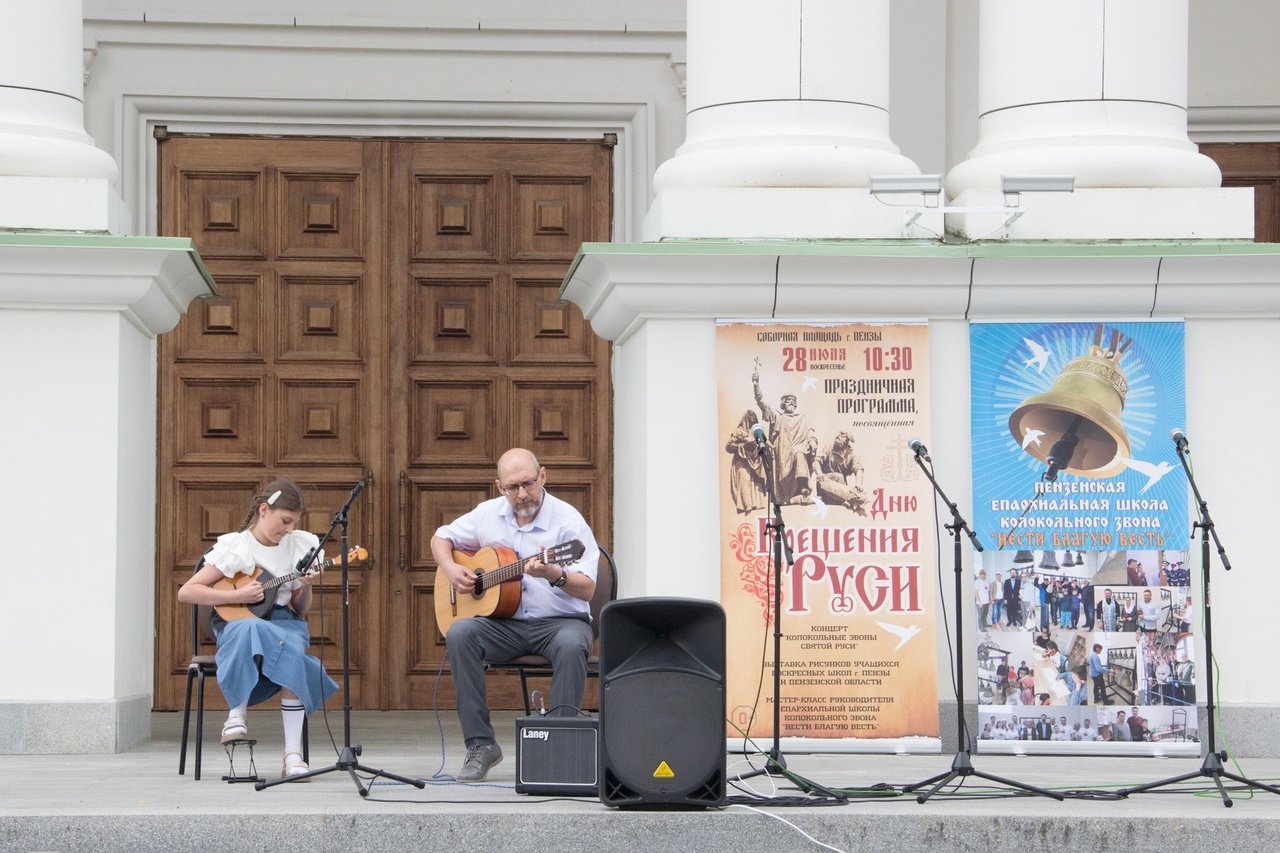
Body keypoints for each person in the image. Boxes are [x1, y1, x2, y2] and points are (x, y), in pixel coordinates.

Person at [431, 448, 600, 783]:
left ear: (543, 477)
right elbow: (441, 537)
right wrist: (451, 568)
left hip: (560, 623)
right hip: (503, 625)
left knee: (571, 644)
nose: (522, 494)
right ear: (499, 487)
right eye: (513, 487)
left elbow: (588, 590)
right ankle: (481, 746)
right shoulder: (487, 514)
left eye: (528, 484)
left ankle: (560, 746)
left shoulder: (568, 522)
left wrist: (554, 574)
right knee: (460, 634)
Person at [177, 479, 339, 780]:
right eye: (284, 521)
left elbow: (300, 609)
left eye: (294, 523)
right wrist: (235, 596)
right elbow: (187, 592)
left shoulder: (302, 545)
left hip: (285, 623)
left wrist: (306, 587)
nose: (289, 530)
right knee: (252, 628)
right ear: (264, 510)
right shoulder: (236, 547)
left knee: (287, 643)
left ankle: (283, 749)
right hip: (240, 626)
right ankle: (274, 741)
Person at [752, 369, 818, 504]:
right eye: (788, 401)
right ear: (783, 403)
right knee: (795, 453)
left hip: (798, 449)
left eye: (793, 401)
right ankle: (788, 494)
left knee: (799, 453)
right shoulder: (777, 416)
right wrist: (756, 385)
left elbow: (810, 432)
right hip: (782, 453)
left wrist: (812, 441)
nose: (791, 403)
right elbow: (762, 404)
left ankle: (803, 487)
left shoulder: (803, 418)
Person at [814, 430, 867, 514]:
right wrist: (819, 474)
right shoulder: (828, 448)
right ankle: (842, 500)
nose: (838, 436)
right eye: (838, 434)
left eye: (842, 435)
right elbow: (816, 461)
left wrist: (858, 484)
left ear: (847, 440)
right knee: (839, 477)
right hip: (824, 482)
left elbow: (859, 469)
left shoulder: (852, 454)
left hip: (840, 487)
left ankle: (846, 500)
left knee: (857, 495)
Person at [725, 410, 767, 514]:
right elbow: (728, 446)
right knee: (744, 480)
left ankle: (755, 504)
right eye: (750, 415)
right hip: (742, 460)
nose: (753, 417)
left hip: (755, 461)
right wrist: (743, 446)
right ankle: (746, 505)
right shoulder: (739, 431)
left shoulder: (757, 432)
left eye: (754, 415)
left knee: (755, 483)